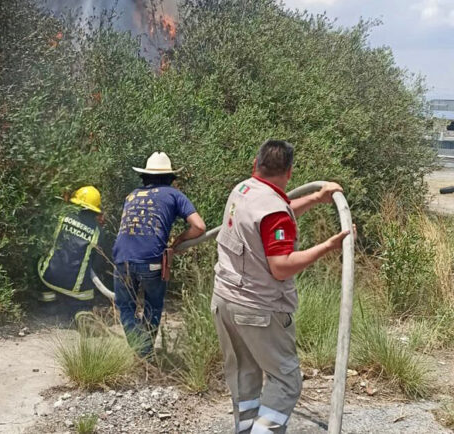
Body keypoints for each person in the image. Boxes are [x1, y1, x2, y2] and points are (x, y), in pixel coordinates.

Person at [211, 140, 353, 434]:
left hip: (224, 301)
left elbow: (277, 213)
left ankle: (246, 429)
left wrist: (315, 198)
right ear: (289, 172)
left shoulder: (243, 190)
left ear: (255, 163)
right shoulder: (274, 210)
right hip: (259, 309)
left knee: (245, 374)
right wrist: (327, 246)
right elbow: (280, 265)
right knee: (286, 381)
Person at [113, 152, 206, 356]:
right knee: (152, 306)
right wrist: (179, 240)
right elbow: (199, 227)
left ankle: (139, 349)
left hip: (122, 257)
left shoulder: (131, 196)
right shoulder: (174, 195)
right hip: (152, 260)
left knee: (125, 305)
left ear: (145, 177)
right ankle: (145, 352)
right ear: (170, 178)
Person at [38, 186, 105, 308]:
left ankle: (49, 305)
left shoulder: (62, 216)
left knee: (41, 263)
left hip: (49, 277)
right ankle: (79, 311)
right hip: (75, 289)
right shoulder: (97, 231)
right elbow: (97, 261)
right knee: (86, 295)